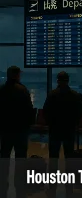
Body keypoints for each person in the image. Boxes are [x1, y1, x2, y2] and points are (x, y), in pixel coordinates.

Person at [43, 71, 82, 198]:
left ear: (57, 80)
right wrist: (74, 123)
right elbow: (79, 113)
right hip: (69, 130)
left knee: (53, 158)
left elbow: (46, 112)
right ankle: (69, 185)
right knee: (69, 159)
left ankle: (52, 185)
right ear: (68, 80)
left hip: (55, 130)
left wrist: (51, 123)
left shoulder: (52, 95)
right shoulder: (75, 95)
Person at [0, 66, 34, 198]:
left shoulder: (1, 90)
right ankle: (19, 183)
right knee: (20, 157)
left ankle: (3, 182)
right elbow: (29, 111)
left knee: (4, 156)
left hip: (6, 130)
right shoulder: (23, 90)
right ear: (17, 75)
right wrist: (28, 125)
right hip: (20, 130)